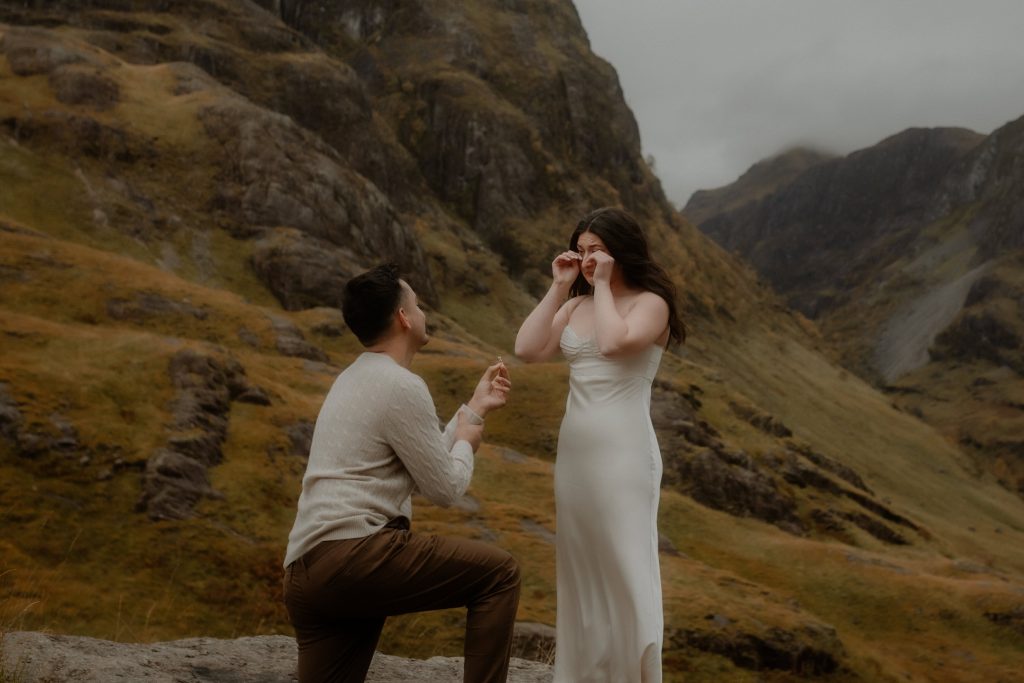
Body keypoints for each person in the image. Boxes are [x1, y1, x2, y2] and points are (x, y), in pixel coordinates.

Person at [283, 263, 520, 683]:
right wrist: (468, 441)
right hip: (354, 558)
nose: (423, 311)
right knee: (499, 575)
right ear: (404, 318)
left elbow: (423, 453)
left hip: (307, 573)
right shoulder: (400, 385)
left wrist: (475, 409)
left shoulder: (353, 377)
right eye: (418, 303)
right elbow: (446, 486)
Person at [514, 207, 685, 682]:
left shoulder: (651, 304)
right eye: (581, 249)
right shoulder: (575, 305)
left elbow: (612, 345)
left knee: (626, 566)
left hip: (625, 455)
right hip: (576, 457)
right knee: (582, 567)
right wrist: (559, 286)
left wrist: (605, 286)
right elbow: (527, 349)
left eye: (597, 250)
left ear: (620, 251)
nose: (587, 258)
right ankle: (583, 674)